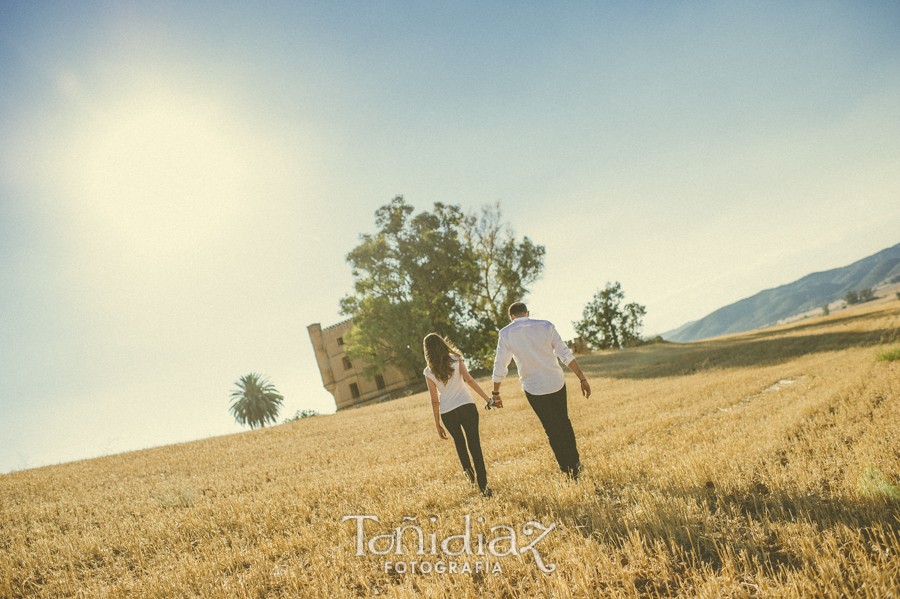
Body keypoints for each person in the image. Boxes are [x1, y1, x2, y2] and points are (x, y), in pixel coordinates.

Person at [491, 302, 591, 480]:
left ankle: (567, 470)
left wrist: (495, 392)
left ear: (511, 317)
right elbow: (565, 354)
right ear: (527, 313)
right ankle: (575, 463)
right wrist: (582, 378)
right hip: (556, 382)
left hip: (534, 388)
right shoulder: (546, 325)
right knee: (564, 423)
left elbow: (501, 365)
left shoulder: (506, 333)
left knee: (551, 429)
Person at [424, 333, 499, 497]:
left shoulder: (429, 371)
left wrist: (437, 424)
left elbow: (434, 400)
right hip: (466, 406)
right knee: (475, 445)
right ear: (442, 344)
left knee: (460, 444)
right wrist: (488, 400)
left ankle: (470, 478)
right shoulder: (456, 359)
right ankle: (483, 487)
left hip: (447, 413)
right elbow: (470, 381)